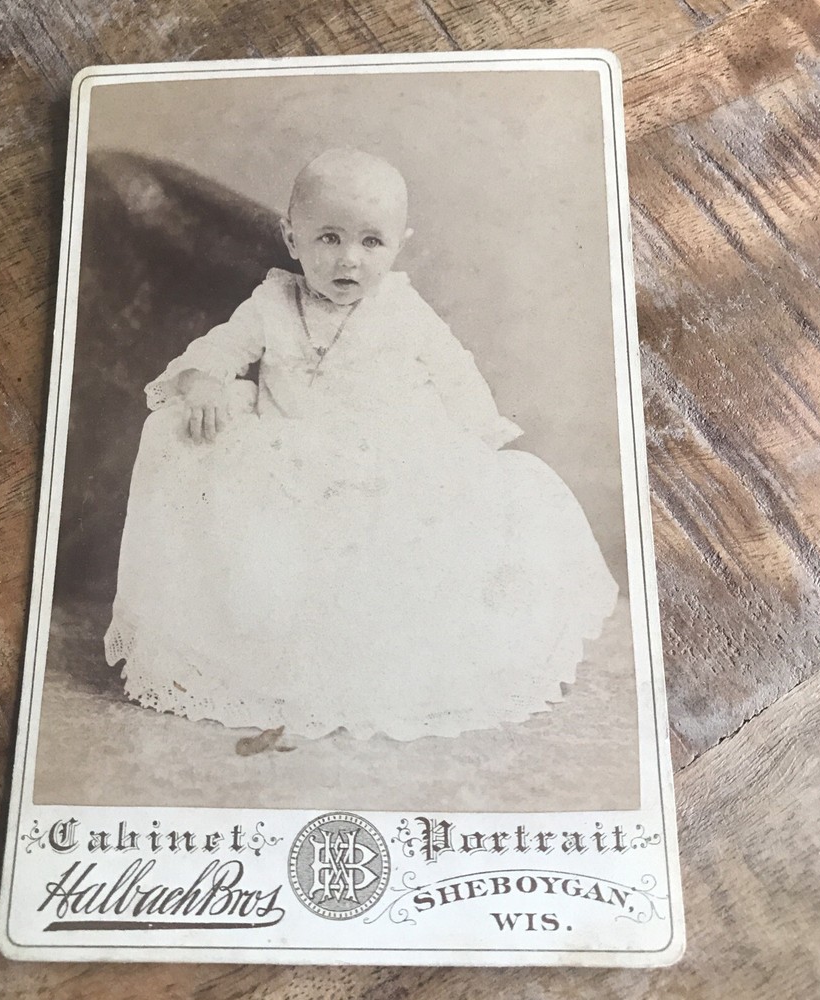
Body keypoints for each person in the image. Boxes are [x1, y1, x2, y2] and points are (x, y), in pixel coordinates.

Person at [104, 148, 618, 741]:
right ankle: (255, 656)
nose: (349, 259)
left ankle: (385, 664)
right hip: (289, 461)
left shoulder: (403, 309)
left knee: (429, 529)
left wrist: (479, 442)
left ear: (400, 244)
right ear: (291, 237)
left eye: (372, 242)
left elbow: (456, 372)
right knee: (178, 434)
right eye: (329, 237)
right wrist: (204, 383)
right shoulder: (272, 303)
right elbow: (219, 350)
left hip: (384, 462)